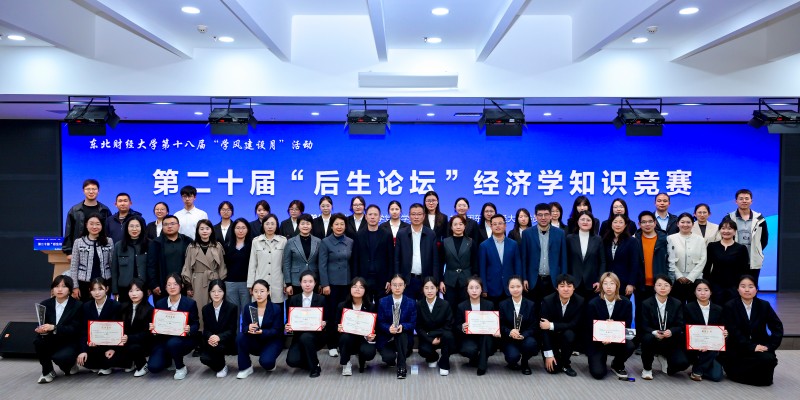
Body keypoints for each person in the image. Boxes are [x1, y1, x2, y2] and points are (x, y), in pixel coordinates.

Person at [722, 275, 783, 386]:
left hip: (760, 347)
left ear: (756, 289)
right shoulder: (730, 306)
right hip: (738, 348)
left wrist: (770, 346)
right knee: (751, 374)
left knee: (768, 370)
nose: (747, 290)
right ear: (738, 289)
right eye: (743, 286)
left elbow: (777, 327)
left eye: (751, 287)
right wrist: (751, 347)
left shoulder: (764, 305)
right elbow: (734, 332)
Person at [147, 274, 200, 380]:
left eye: (175, 284)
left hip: (184, 339)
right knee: (153, 367)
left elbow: (196, 324)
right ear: (165, 287)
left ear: (181, 286)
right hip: (164, 339)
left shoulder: (190, 303)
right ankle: (169, 359)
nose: (172, 287)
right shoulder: (160, 303)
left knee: (173, 343)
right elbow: (157, 326)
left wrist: (189, 329)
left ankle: (180, 367)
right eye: (169, 285)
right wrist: (153, 328)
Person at [586, 272, 635, 380]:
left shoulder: (626, 303)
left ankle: (617, 364)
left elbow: (627, 324)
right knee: (598, 373)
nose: (608, 286)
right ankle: (599, 360)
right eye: (605, 283)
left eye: (612, 283)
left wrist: (614, 327)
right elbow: (589, 327)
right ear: (601, 285)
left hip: (616, 341)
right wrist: (603, 334)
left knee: (630, 345)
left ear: (617, 285)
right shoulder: (593, 303)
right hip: (598, 342)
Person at [639, 275, 689, 380]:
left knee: (683, 363)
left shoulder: (677, 303)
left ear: (671, 288)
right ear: (654, 287)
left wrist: (671, 331)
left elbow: (680, 324)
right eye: (659, 285)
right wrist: (654, 332)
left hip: (670, 338)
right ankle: (647, 369)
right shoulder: (646, 303)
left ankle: (664, 357)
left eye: (666, 285)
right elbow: (643, 325)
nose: (662, 288)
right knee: (647, 338)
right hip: (652, 337)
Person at [34, 275, 83, 384]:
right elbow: (41, 323)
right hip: (51, 339)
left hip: (69, 341)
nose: (59, 289)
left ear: (70, 289)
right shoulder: (45, 304)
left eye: (64, 286)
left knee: (63, 360)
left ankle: (70, 365)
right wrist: (41, 329)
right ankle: (47, 371)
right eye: (56, 286)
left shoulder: (77, 305)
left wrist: (54, 327)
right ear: (52, 289)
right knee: (38, 341)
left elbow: (75, 329)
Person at [319, 212, 354, 356]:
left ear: (345, 226)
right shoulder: (325, 242)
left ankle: (344, 343)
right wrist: (325, 284)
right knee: (332, 315)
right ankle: (332, 344)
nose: (339, 227)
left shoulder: (350, 241)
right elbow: (322, 265)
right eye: (336, 224)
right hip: (331, 285)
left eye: (342, 224)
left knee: (346, 314)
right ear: (332, 226)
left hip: (347, 284)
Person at [182, 219, 227, 330]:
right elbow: (187, 266)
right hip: (197, 281)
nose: (204, 231)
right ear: (197, 231)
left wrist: (221, 283)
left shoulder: (217, 246)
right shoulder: (192, 246)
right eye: (201, 229)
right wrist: (188, 286)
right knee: (198, 307)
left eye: (207, 228)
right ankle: (198, 333)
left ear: (211, 230)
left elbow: (222, 267)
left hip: (214, 280)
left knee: (215, 307)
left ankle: (214, 333)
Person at [236, 279, 284, 379]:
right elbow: (244, 327)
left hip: (271, 341)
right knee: (240, 337)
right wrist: (248, 327)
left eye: (262, 291)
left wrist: (262, 331)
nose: (259, 294)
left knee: (267, 363)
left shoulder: (276, 308)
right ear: (252, 292)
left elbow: (277, 331)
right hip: (255, 340)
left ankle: (269, 361)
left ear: (268, 292)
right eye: (256, 291)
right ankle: (246, 367)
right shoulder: (249, 307)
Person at [76, 277, 124, 375]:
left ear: (107, 289)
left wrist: (113, 348)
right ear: (90, 291)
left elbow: (118, 330)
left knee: (113, 358)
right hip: (94, 345)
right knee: (84, 360)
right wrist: (84, 349)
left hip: (111, 345)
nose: (97, 292)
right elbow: (84, 330)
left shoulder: (115, 305)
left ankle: (106, 365)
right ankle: (100, 364)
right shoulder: (86, 306)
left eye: (100, 289)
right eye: (94, 289)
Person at [539, 274, 584, 377]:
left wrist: (551, 325)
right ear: (557, 288)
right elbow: (543, 329)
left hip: (567, 336)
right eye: (562, 286)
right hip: (551, 337)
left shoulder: (580, 301)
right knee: (554, 369)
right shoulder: (547, 301)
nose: (566, 289)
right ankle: (554, 356)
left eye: (569, 286)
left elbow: (574, 324)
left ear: (574, 288)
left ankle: (566, 364)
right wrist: (549, 355)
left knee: (570, 334)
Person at [520, 203, 567, 303]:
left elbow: (563, 259)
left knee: (552, 309)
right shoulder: (527, 233)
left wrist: (563, 280)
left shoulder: (560, 233)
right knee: (534, 308)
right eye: (540, 215)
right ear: (535, 216)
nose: (543, 218)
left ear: (550, 216)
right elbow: (524, 258)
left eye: (546, 214)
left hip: (553, 280)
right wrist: (524, 278)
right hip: (534, 279)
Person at [633, 211, 669, 335]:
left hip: (659, 284)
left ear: (655, 223)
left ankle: (658, 339)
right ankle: (640, 339)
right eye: (643, 222)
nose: (647, 224)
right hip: (640, 284)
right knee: (640, 312)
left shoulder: (664, 239)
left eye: (650, 221)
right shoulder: (635, 239)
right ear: (639, 224)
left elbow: (669, 260)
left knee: (658, 313)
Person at [683, 279, 725, 382]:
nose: (703, 293)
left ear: (711, 292)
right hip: (694, 346)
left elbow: (721, 328)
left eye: (706, 290)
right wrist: (699, 343)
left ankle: (698, 369)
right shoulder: (688, 308)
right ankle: (700, 369)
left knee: (717, 377)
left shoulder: (719, 309)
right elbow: (685, 329)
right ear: (694, 292)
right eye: (699, 290)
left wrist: (725, 333)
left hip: (712, 348)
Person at [285, 271, 326, 377]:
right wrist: (288, 326)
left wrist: (324, 323)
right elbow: (290, 319)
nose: (307, 284)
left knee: (306, 337)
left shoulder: (321, 299)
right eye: (305, 281)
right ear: (300, 283)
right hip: (298, 336)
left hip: (317, 336)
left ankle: (315, 367)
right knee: (291, 361)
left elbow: (328, 319)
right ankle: (310, 361)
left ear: (315, 283)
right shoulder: (294, 299)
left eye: (310, 281)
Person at [456, 277, 499, 376]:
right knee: (468, 350)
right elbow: (456, 326)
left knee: (485, 338)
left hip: (486, 338)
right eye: (471, 288)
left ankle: (482, 365)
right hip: (469, 338)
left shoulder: (489, 305)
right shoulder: (461, 306)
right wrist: (462, 327)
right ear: (467, 290)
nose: (474, 291)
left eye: (477, 287)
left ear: (481, 289)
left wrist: (494, 329)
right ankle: (476, 359)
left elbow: (494, 323)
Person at [395, 203, 439, 299]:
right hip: (406, 280)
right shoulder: (402, 234)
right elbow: (397, 259)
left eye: (419, 214)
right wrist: (397, 277)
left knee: (424, 307)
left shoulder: (431, 234)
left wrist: (435, 281)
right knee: (407, 306)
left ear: (424, 216)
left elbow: (435, 260)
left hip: (426, 281)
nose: (416, 217)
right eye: (413, 214)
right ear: (409, 216)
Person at [377, 274, 417, 379]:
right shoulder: (383, 301)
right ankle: (392, 359)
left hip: (404, 339)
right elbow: (380, 322)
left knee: (402, 334)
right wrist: (388, 328)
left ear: (404, 286)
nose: (397, 288)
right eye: (395, 285)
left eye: (400, 285)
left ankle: (401, 367)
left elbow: (413, 323)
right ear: (390, 286)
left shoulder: (411, 303)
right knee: (388, 358)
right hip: (387, 338)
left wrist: (403, 326)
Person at [68, 213, 113, 303]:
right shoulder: (78, 242)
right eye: (91, 224)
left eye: (98, 224)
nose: (94, 227)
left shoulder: (109, 241)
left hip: (105, 281)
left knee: (103, 308)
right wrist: (75, 286)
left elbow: (112, 264)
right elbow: (74, 266)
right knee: (85, 308)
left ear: (102, 226)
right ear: (86, 225)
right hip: (84, 283)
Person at [62, 178, 111, 260]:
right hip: (80, 250)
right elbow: (68, 232)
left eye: (94, 189)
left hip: (101, 249)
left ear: (98, 191)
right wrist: (69, 252)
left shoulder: (104, 210)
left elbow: (109, 231)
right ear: (83, 191)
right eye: (88, 189)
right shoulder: (75, 210)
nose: (91, 192)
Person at [704, 218, 750, 305]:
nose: (726, 231)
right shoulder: (712, 246)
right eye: (723, 228)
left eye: (729, 228)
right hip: (715, 285)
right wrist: (706, 284)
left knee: (732, 308)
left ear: (735, 231)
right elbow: (707, 266)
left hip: (734, 285)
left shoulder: (741, 248)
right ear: (719, 231)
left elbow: (744, 269)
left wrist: (741, 285)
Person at [337, 277, 377, 375]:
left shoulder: (371, 307)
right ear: (350, 289)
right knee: (345, 337)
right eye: (354, 286)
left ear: (365, 290)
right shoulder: (342, 306)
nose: (357, 289)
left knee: (369, 352)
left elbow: (375, 327)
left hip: (363, 339)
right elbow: (334, 325)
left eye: (361, 287)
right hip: (347, 338)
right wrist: (338, 328)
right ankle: (346, 363)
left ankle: (361, 357)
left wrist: (371, 336)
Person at [479, 214, 521, 308]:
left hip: (510, 288)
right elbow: (482, 269)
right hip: (492, 288)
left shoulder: (513, 244)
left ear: (505, 225)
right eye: (495, 224)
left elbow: (517, 266)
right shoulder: (484, 245)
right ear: (491, 226)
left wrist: (518, 284)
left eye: (500, 223)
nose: (497, 226)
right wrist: (484, 288)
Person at [147, 215, 192, 303]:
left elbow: (192, 265)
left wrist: (189, 286)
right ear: (162, 227)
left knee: (183, 310)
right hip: (161, 287)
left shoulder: (188, 241)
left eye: (172, 224)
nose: (169, 226)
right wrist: (154, 284)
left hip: (183, 286)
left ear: (178, 226)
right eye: (166, 224)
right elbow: (151, 266)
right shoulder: (155, 243)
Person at [354, 205, 394, 304]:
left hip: (382, 279)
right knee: (364, 306)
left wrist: (389, 279)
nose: (372, 217)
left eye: (375, 215)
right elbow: (355, 259)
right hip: (363, 278)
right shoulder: (359, 235)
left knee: (381, 306)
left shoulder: (387, 235)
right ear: (366, 217)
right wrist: (355, 280)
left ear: (380, 217)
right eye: (370, 214)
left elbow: (391, 259)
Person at [499, 276, 538, 375]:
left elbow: (534, 326)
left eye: (518, 286)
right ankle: (512, 361)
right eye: (512, 287)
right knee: (512, 357)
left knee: (531, 344)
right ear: (508, 288)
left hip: (525, 337)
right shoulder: (503, 305)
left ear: (522, 287)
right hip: (509, 338)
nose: (515, 289)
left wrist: (523, 335)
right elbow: (500, 325)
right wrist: (510, 332)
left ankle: (525, 362)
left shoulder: (530, 304)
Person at [728, 189, 769, 284]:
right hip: (733, 259)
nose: (744, 201)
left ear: (751, 201)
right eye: (741, 199)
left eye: (747, 198)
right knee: (733, 287)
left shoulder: (759, 219)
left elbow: (764, 239)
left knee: (752, 285)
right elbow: (723, 237)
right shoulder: (729, 218)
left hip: (753, 260)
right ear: (736, 201)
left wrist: (756, 250)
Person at [199, 279, 238, 378]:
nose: (216, 294)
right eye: (213, 291)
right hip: (212, 341)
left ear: (224, 292)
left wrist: (219, 337)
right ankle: (221, 365)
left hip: (226, 340)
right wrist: (211, 337)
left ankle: (221, 367)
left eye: (219, 291)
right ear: (209, 293)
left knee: (218, 348)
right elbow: (206, 330)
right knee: (204, 359)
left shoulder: (232, 308)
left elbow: (232, 330)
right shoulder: (205, 309)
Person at [439, 215, 476, 317]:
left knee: (465, 309)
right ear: (451, 227)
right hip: (449, 281)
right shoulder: (445, 242)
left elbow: (475, 263)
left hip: (467, 281)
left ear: (465, 226)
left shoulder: (471, 242)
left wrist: (474, 280)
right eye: (455, 224)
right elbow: (440, 263)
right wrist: (441, 281)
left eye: (461, 224)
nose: (458, 227)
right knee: (450, 309)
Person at [416, 277, 454, 376]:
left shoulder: (445, 304)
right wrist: (430, 339)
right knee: (423, 350)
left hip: (442, 336)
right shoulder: (419, 305)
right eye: (426, 288)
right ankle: (433, 357)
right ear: (422, 289)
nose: (429, 291)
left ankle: (444, 364)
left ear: (437, 289)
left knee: (449, 336)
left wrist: (433, 334)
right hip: (428, 338)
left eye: (432, 288)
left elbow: (449, 325)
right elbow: (418, 327)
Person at [566, 210, 606, 301]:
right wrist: (567, 280)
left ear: (592, 223)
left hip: (593, 284)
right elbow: (566, 260)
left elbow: (602, 262)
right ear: (577, 222)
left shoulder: (598, 239)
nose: (585, 222)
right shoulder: (569, 238)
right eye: (582, 219)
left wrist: (600, 280)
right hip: (573, 283)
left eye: (588, 220)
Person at [667, 212, 707, 302]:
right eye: (682, 222)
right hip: (676, 279)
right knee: (676, 305)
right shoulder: (670, 238)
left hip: (695, 279)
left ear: (693, 224)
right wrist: (678, 276)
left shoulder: (700, 239)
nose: (685, 225)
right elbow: (669, 259)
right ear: (677, 224)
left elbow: (703, 260)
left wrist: (691, 277)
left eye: (688, 222)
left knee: (693, 305)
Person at [248, 214, 287, 304]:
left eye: (273, 224)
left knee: (277, 310)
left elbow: (285, 265)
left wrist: (286, 283)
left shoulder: (283, 241)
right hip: (260, 283)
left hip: (277, 283)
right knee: (260, 310)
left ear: (276, 225)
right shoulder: (256, 241)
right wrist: (251, 284)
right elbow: (252, 264)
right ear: (263, 225)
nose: (270, 226)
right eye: (267, 224)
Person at [119, 278, 153, 377]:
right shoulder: (124, 307)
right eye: (131, 291)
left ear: (144, 291)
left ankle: (143, 365)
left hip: (143, 343)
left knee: (133, 347)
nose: (134, 294)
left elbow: (147, 334)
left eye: (137, 290)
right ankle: (131, 362)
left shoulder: (149, 309)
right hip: (126, 340)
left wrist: (129, 338)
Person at [110, 215, 148, 304]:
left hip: (143, 287)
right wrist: (115, 290)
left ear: (142, 228)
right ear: (127, 228)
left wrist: (150, 287)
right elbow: (115, 270)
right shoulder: (119, 245)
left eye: (137, 226)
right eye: (131, 226)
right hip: (124, 288)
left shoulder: (149, 244)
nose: (134, 229)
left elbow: (152, 268)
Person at [602, 214, 641, 299]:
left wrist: (631, 283)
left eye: (621, 222)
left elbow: (635, 264)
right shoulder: (605, 240)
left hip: (624, 283)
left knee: (622, 306)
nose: (618, 225)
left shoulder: (632, 241)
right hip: (607, 282)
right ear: (611, 224)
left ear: (625, 225)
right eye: (615, 222)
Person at [283, 213, 321, 298]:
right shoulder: (290, 242)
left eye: (308, 223)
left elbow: (320, 263)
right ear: (298, 225)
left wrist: (321, 283)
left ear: (311, 226)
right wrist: (288, 283)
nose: (305, 226)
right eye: (302, 223)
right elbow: (286, 264)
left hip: (313, 280)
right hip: (295, 281)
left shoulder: (318, 241)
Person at [223, 218, 253, 313]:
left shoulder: (253, 245)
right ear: (233, 229)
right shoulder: (227, 246)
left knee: (247, 312)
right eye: (238, 228)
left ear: (248, 229)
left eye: (243, 228)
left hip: (247, 284)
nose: (240, 231)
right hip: (230, 284)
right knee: (233, 313)